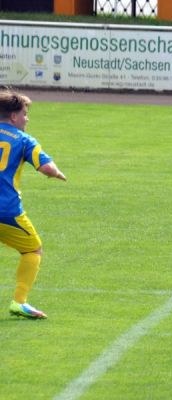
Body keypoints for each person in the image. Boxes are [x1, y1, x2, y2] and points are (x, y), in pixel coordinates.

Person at [0, 88, 66, 319]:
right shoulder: (24, 140)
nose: (27, 119)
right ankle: (19, 302)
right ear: (13, 117)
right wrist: (58, 174)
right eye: (25, 114)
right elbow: (46, 167)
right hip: (6, 211)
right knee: (32, 249)